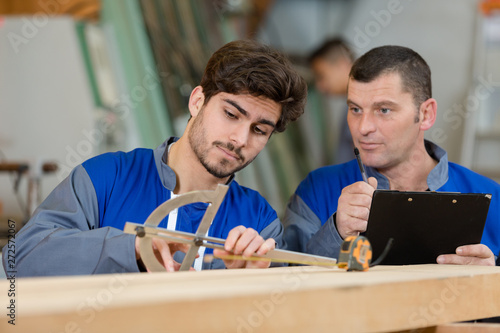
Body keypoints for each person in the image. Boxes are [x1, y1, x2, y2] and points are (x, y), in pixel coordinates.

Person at [3, 40, 307, 277]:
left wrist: (252, 285)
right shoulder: (106, 177)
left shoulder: (260, 222)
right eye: (230, 114)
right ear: (198, 101)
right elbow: (20, 260)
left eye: (259, 129)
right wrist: (130, 247)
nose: (240, 139)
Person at [283, 45, 500, 266]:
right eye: (356, 109)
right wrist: (336, 233)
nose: (363, 128)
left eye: (384, 110)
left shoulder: (491, 197)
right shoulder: (317, 191)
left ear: (426, 114)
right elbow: (283, 283)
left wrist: (492, 278)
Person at [309, 38, 355, 164]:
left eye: (321, 76)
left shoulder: (364, 109)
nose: (320, 86)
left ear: (342, 64)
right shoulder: (350, 107)